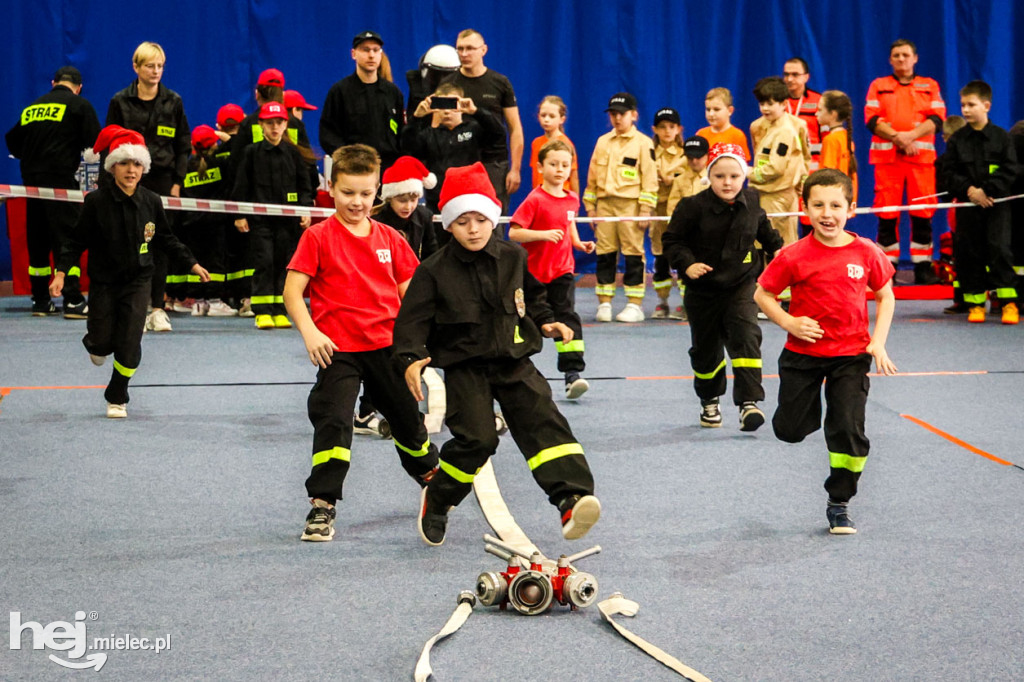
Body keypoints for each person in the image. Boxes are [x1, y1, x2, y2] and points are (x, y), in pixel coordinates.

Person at [393, 162, 600, 546]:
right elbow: (411, 324)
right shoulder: (433, 271)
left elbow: (533, 297)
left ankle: (571, 498)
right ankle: (438, 498)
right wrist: (410, 360)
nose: (473, 229)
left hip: (514, 359)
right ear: (449, 225)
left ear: (492, 219)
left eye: (480, 219)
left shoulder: (513, 258)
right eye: (462, 221)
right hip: (465, 367)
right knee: (478, 440)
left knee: (543, 421)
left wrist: (547, 321)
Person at [283, 144, 440, 542]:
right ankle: (322, 504)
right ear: (331, 188)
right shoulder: (317, 238)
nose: (357, 201)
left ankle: (431, 478)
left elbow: (413, 300)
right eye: (348, 192)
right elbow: (292, 290)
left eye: (366, 193)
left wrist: (416, 352)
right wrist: (310, 331)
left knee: (409, 424)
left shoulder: (391, 238)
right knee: (333, 420)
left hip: (387, 349)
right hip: (338, 351)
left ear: (378, 192)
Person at [754, 168, 897, 535]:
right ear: (806, 209)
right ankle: (809, 410)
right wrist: (789, 322)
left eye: (836, 205)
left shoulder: (866, 252)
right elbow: (762, 294)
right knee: (789, 430)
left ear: (851, 208)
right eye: (818, 205)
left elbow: (885, 294)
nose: (827, 213)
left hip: (851, 356)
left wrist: (877, 341)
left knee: (848, 429)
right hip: (802, 357)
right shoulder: (793, 255)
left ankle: (839, 501)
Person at [49, 125, 209, 418]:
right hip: (104, 282)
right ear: (112, 167)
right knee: (101, 343)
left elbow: (166, 238)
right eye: (124, 163)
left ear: (144, 167)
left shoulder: (151, 200)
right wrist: (61, 273)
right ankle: (95, 343)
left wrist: (192, 263)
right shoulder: (95, 202)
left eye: (137, 163)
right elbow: (75, 242)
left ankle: (118, 394)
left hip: (138, 280)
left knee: (130, 340)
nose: (131, 170)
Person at [663, 143, 782, 430]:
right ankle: (709, 402)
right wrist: (687, 264)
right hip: (702, 291)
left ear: (744, 177)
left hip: (741, 286)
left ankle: (749, 404)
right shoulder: (691, 206)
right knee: (706, 352)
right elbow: (672, 241)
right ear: (709, 176)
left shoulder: (752, 202)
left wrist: (782, 254)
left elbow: (768, 235)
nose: (727, 182)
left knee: (746, 337)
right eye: (719, 176)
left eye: (734, 176)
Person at [106, 41, 191, 332]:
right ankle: (133, 309)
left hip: (163, 181)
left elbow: (183, 146)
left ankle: (157, 308)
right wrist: (115, 182)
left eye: (160, 66)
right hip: (128, 180)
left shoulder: (174, 101)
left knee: (159, 243)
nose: (156, 71)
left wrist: (178, 182)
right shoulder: (120, 101)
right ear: (136, 67)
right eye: (150, 66)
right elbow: (109, 144)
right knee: (129, 242)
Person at [5, 65, 100, 318]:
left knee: (37, 240)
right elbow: (96, 142)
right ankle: (73, 300)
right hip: (61, 185)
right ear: (78, 88)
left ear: (53, 82)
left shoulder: (31, 108)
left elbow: (12, 141)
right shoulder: (80, 106)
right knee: (67, 239)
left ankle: (40, 300)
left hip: (32, 185)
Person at [509, 140, 595, 398]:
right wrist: (542, 235)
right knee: (531, 323)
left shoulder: (571, 199)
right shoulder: (534, 199)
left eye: (565, 165)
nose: (559, 169)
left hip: (562, 271)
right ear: (540, 167)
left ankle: (572, 374)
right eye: (553, 164)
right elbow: (514, 232)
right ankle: (517, 373)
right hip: (534, 275)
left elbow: (569, 225)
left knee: (567, 316)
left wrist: (579, 243)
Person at [938, 80, 1020, 325]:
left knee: (1000, 251)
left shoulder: (1002, 138)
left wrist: (988, 191)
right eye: (963, 104)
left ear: (986, 106)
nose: (965, 109)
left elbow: (1010, 169)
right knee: (969, 254)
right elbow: (947, 172)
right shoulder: (957, 140)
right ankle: (975, 304)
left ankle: (1008, 303)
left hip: (996, 206)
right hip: (968, 207)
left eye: (971, 105)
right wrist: (970, 191)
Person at [865, 38, 946, 284]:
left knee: (923, 211)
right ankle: (887, 267)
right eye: (896, 55)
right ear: (890, 60)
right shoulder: (878, 86)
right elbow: (871, 119)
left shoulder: (929, 85)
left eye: (905, 55)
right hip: (888, 160)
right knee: (886, 212)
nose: (901, 59)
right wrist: (899, 139)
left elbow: (938, 118)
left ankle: (922, 267)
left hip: (920, 160)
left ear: (915, 58)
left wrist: (910, 137)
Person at [232, 101, 313, 329]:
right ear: (261, 125)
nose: (275, 128)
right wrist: (239, 214)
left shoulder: (294, 154)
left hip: (288, 223)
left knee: (284, 264)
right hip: (260, 222)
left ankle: (279, 309)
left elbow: (304, 185)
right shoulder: (250, 153)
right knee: (264, 261)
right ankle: (262, 310)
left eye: (279, 122)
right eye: (270, 123)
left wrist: (305, 209)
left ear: (286, 125)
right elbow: (241, 185)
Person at [583, 92, 658, 323]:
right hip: (605, 205)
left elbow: (650, 179)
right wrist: (591, 208)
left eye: (622, 114)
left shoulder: (644, 143)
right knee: (605, 254)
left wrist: (646, 209)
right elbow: (592, 177)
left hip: (631, 206)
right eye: (613, 114)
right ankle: (604, 301)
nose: (617, 118)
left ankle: (634, 304)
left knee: (633, 253)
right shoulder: (603, 142)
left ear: (634, 115)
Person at [443, 29, 524, 211]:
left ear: (483, 50)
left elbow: (515, 128)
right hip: (459, 162)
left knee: (493, 220)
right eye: (460, 49)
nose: (464, 54)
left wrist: (515, 169)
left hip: (493, 163)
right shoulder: (448, 83)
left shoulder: (500, 82)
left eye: (470, 48)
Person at [401, 81, 505, 220]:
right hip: (438, 201)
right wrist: (417, 118)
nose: (446, 111)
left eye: (451, 104)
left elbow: (498, 133)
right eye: (441, 105)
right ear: (435, 107)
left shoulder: (474, 129)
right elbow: (408, 147)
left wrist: (476, 111)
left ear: (461, 104)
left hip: (470, 199)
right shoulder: (429, 135)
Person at [319, 31, 404, 171]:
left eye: (375, 50)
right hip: (353, 170)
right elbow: (328, 133)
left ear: (380, 54)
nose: (371, 55)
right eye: (365, 50)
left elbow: (401, 132)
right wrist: (347, 159)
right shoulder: (340, 91)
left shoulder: (392, 93)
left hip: (388, 169)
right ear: (353, 54)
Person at [175, 125, 237, 317]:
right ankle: (215, 301)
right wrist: (225, 137)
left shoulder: (184, 168)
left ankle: (198, 303)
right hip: (215, 222)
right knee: (215, 262)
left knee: (196, 261)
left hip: (191, 224)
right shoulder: (221, 163)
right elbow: (239, 151)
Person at [748, 77, 809, 246]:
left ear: (784, 103)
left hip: (780, 194)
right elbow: (758, 156)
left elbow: (794, 162)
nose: (764, 108)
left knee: (781, 242)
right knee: (761, 243)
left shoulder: (792, 128)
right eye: (761, 104)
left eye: (770, 103)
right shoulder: (758, 126)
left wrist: (748, 173)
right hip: (761, 192)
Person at [664, 135, 712, 321]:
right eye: (690, 157)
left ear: (707, 156)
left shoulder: (714, 178)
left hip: (710, 236)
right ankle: (688, 304)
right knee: (685, 270)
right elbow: (672, 208)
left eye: (698, 157)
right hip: (687, 237)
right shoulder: (680, 180)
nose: (694, 161)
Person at [650, 108, 686, 319]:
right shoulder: (648, 152)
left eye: (671, 127)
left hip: (681, 214)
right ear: (655, 129)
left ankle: (685, 301)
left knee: (682, 256)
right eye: (662, 127)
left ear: (678, 129)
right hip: (658, 211)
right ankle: (662, 302)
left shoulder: (685, 154)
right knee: (661, 257)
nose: (667, 131)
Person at [937, 115, 968, 314]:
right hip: (957, 216)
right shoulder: (943, 162)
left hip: (967, 215)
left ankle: (965, 301)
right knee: (960, 258)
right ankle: (962, 299)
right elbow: (943, 191)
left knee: (965, 259)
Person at [529, 95, 579, 193]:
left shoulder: (566, 144)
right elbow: (536, 173)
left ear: (562, 119)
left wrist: (574, 201)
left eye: (552, 116)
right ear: (538, 116)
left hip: (560, 197)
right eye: (543, 115)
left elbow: (573, 176)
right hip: (541, 196)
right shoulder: (536, 143)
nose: (546, 120)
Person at [816, 90, 859, 201]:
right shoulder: (846, 137)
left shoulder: (830, 140)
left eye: (820, 110)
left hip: (832, 198)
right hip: (845, 197)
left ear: (833, 114)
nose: (816, 113)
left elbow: (827, 175)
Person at [782, 57, 822, 171]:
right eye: (786, 74)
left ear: (806, 77)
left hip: (811, 167)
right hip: (784, 167)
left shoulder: (818, 101)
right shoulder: (777, 102)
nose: (789, 79)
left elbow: (826, 137)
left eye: (795, 75)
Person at [405, 44, 460, 117]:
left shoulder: (466, 100)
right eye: (435, 75)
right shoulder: (418, 95)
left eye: (448, 76)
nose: (441, 82)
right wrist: (416, 117)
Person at [696, 88, 750, 161]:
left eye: (716, 109)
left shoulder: (737, 135)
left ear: (730, 111)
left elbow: (743, 163)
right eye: (708, 109)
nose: (711, 114)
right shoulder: (701, 134)